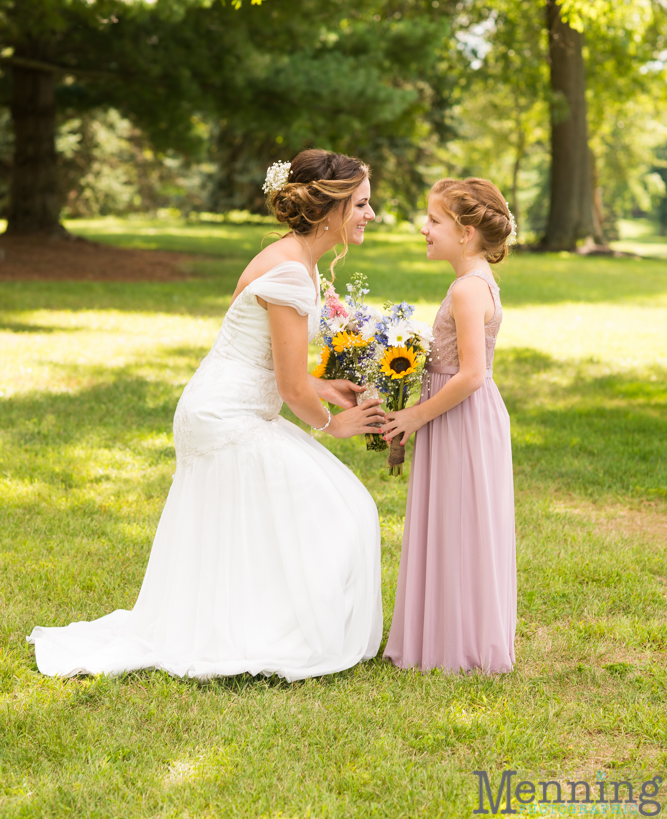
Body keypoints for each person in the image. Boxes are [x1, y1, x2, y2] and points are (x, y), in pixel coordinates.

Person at [29, 149, 385, 681]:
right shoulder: (289, 270)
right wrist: (335, 425)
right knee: (342, 507)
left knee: (319, 510)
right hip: (226, 417)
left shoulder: (296, 258)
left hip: (232, 407)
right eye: (361, 203)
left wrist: (327, 388)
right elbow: (288, 386)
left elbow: (274, 366)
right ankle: (269, 633)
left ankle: (255, 622)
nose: (370, 215)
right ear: (329, 207)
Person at [382, 177, 516, 674]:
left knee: (458, 522)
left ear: (465, 233)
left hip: (457, 415)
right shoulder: (475, 280)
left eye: (434, 221)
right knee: (457, 520)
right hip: (459, 415)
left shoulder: (466, 289)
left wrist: (414, 415)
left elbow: (473, 374)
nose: (424, 228)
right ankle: (449, 634)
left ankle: (453, 645)